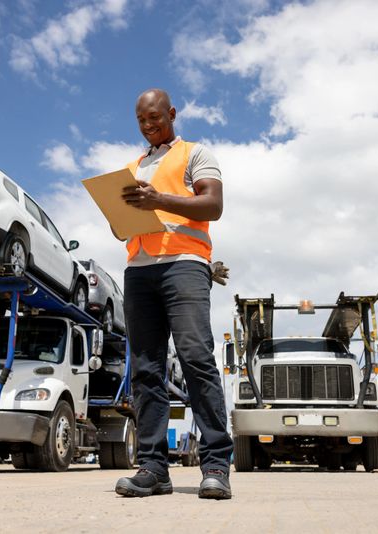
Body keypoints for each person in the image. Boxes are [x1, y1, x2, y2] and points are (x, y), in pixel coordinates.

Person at [113, 88, 233, 500]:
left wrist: (158, 199)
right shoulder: (131, 168)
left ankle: (216, 464)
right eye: (142, 121)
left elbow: (212, 205)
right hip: (139, 271)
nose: (149, 126)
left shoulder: (196, 154)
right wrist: (120, 214)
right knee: (145, 370)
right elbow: (122, 226)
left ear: (172, 114)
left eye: (156, 119)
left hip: (185, 265)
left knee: (196, 358)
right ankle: (153, 468)